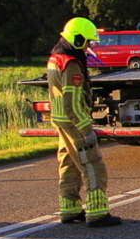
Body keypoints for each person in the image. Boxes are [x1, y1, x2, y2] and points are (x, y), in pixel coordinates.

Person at [48, 17, 121, 227]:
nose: (88, 47)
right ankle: (97, 213)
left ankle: (69, 209)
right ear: (77, 38)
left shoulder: (56, 57)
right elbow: (72, 102)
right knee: (92, 164)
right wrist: (85, 129)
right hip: (73, 123)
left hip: (61, 121)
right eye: (87, 42)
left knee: (69, 164)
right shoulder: (70, 63)